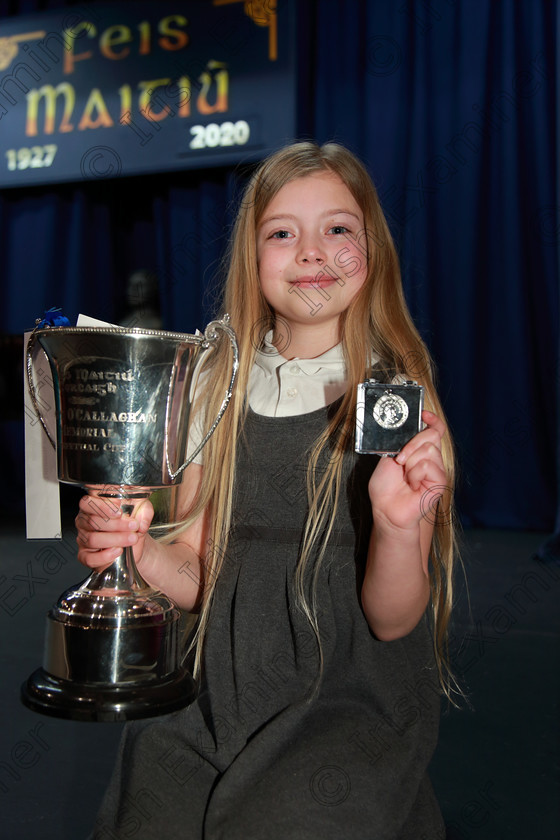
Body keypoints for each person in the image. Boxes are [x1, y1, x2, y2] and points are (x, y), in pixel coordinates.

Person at [77, 141, 457, 839]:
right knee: (144, 813)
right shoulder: (213, 385)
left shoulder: (393, 395)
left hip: (343, 695)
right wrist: (138, 551)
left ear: (373, 251)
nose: (311, 252)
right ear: (253, 261)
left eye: (338, 229)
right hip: (211, 686)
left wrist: (400, 527)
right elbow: (194, 569)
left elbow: (395, 619)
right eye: (282, 233)